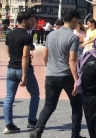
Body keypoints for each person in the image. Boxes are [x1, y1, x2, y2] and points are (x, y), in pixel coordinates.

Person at [30, 10, 83, 138]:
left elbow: (45, 56)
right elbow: (72, 60)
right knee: (76, 105)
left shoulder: (51, 35)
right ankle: (75, 135)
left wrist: (50, 67)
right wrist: (76, 80)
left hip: (51, 75)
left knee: (49, 105)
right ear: (74, 20)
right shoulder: (73, 37)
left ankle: (38, 129)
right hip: (67, 76)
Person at [3, 11, 40, 134]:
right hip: (24, 69)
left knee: (9, 97)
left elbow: (9, 53)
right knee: (35, 93)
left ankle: (9, 125)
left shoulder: (9, 35)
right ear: (24, 21)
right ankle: (32, 121)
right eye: (31, 20)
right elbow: (24, 57)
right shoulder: (27, 36)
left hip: (11, 69)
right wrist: (24, 74)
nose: (33, 22)